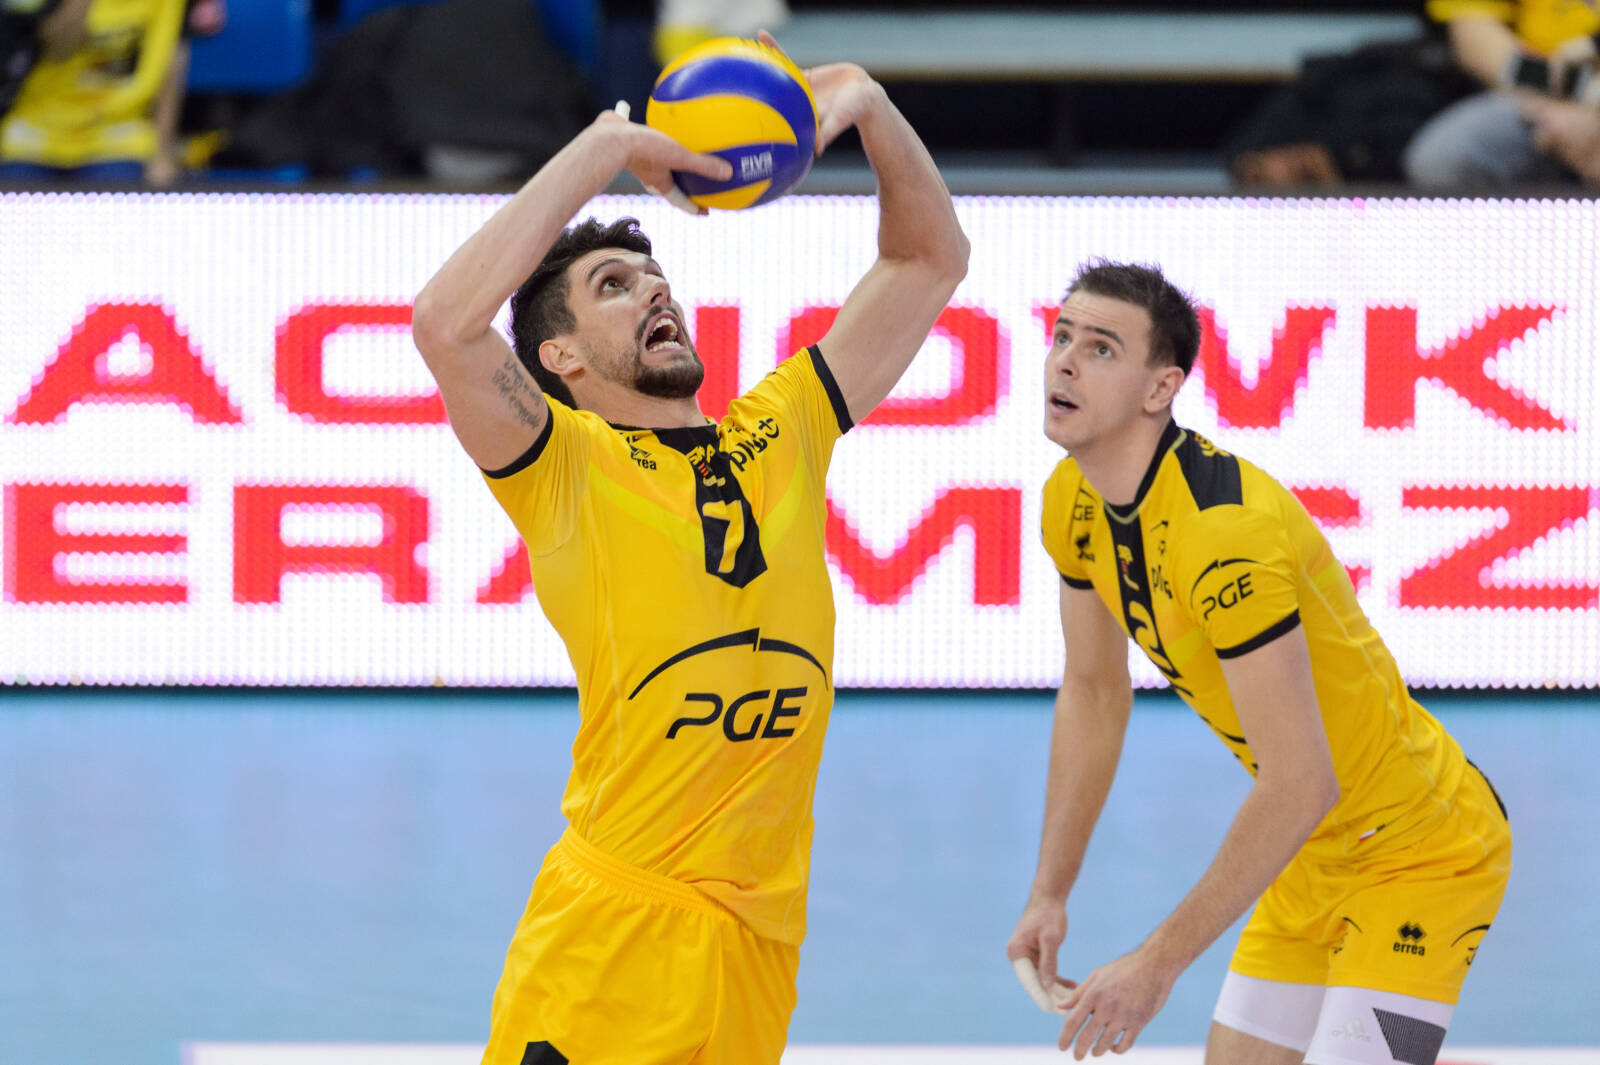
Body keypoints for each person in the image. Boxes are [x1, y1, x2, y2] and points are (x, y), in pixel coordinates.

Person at [410, 32, 968, 1065]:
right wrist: (608, 147)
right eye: (614, 285)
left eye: (655, 276)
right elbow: (445, 325)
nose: (654, 292)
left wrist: (868, 105)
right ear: (560, 357)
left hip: (759, 944)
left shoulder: (784, 428)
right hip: (612, 943)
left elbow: (930, 259)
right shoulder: (561, 466)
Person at [1006, 262, 1511, 1064]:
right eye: (1062, 337)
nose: (1064, 360)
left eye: (1101, 348)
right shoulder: (1070, 503)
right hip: (1310, 850)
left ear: (1160, 388)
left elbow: (1302, 780)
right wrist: (1049, 892)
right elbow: (1095, 693)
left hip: (1423, 850)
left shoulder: (1224, 536)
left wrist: (1156, 963)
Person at [1403, 0, 1599, 186]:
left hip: (1589, 94)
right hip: (1539, 95)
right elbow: (1475, 40)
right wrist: (1569, 96)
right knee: (1444, 158)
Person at [0, 0, 188, 184]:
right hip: (36, 128)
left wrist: (162, 153)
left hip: (118, 136)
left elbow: (169, 63)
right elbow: (60, 51)